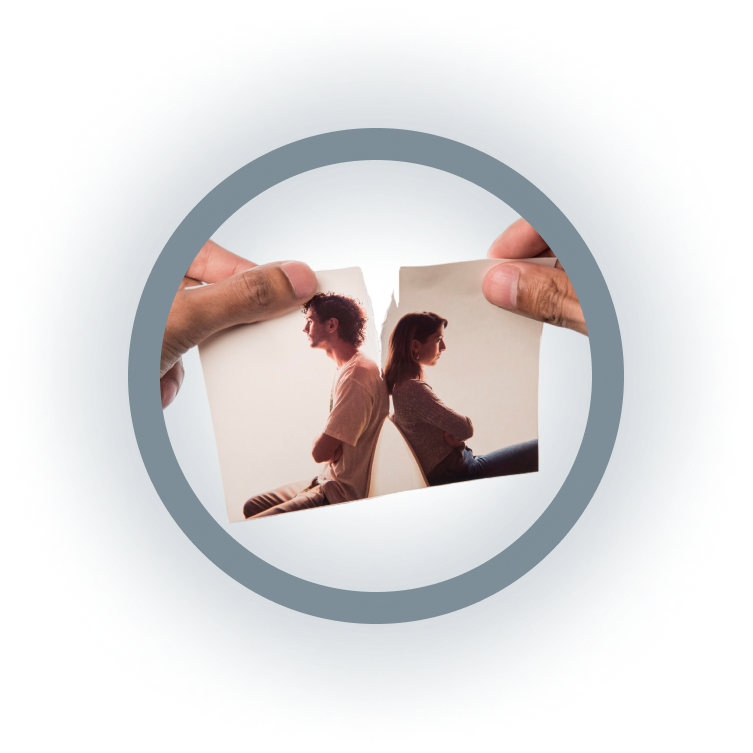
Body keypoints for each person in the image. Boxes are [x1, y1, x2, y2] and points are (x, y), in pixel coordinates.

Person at [242, 292, 389, 519]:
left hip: (338, 493)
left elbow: (320, 452)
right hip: (325, 478)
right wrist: (331, 444)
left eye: (310, 321)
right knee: (252, 505)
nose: (304, 328)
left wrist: (328, 444)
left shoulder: (357, 375)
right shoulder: (348, 368)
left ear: (331, 325)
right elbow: (329, 450)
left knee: (256, 521)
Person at [384, 312, 539, 486]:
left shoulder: (401, 387)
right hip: (462, 471)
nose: (443, 347)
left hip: (457, 467)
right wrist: (453, 437)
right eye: (438, 340)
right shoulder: (412, 389)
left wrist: (452, 438)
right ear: (415, 346)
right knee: (540, 450)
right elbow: (465, 428)